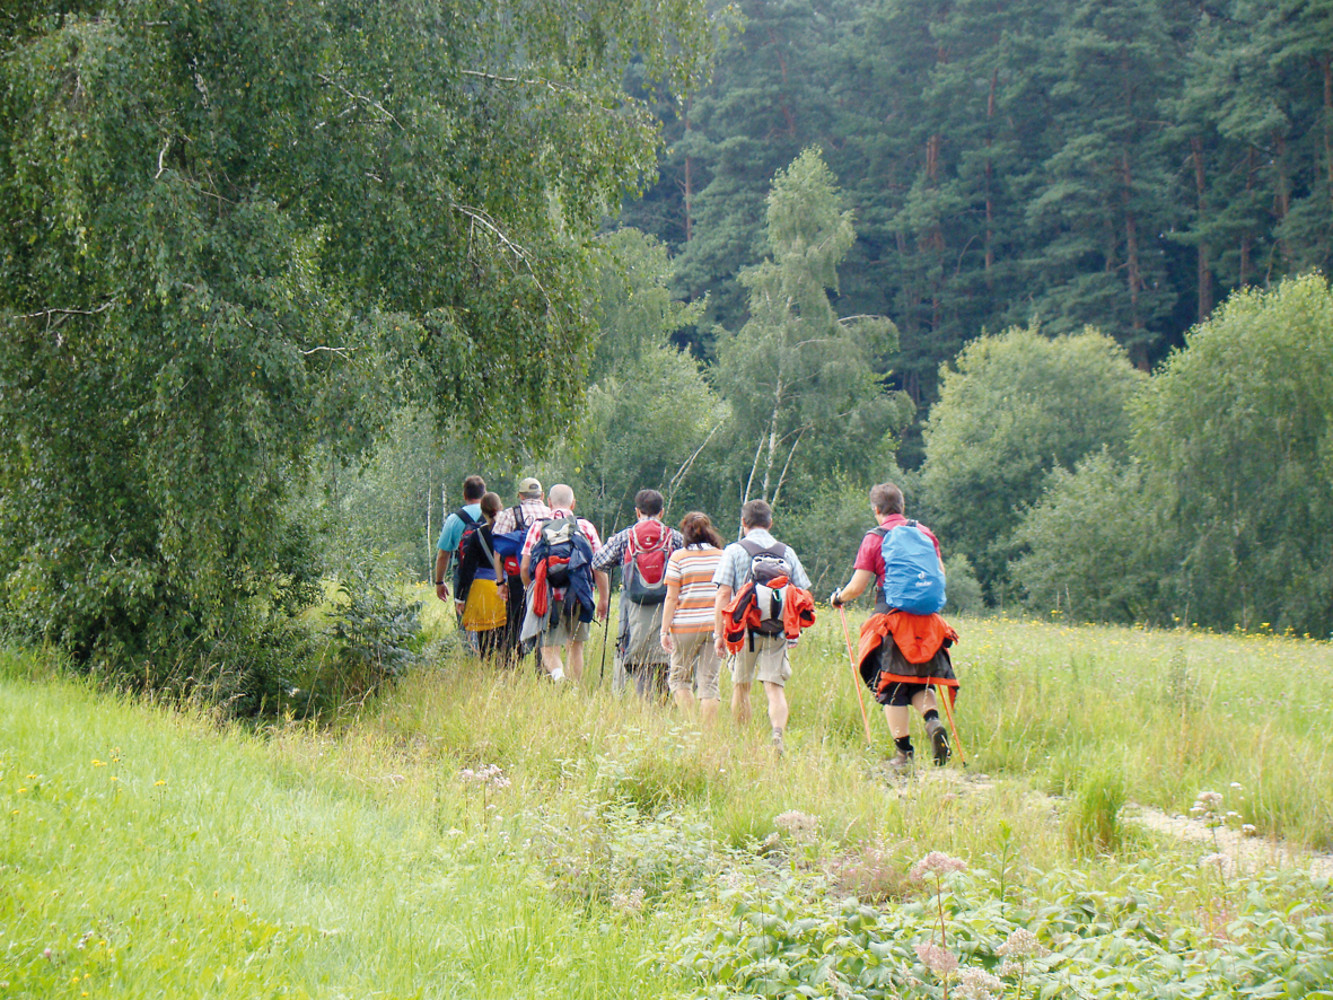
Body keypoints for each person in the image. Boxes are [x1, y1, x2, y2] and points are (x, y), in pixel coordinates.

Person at [830, 481, 957, 771]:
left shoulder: (875, 538)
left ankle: (904, 755)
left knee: (892, 687)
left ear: (877, 510)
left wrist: (839, 597)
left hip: (892, 620)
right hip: (928, 622)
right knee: (920, 682)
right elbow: (941, 574)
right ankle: (933, 721)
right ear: (902, 506)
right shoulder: (925, 533)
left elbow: (858, 586)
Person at [712, 499, 811, 753]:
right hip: (777, 629)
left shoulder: (734, 550)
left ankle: (743, 741)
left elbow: (724, 594)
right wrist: (793, 628)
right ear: (770, 523)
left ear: (743, 523)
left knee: (740, 686)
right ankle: (777, 734)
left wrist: (719, 634)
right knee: (774, 688)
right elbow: (802, 592)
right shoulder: (786, 552)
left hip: (743, 630)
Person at [592, 489, 684, 700]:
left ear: (637, 511)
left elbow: (598, 562)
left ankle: (645, 704)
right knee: (666, 656)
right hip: (667, 607)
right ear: (661, 512)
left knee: (639, 656)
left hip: (633, 608)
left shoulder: (626, 536)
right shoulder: (674, 537)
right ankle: (665, 703)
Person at [519, 483, 610, 683]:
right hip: (578, 594)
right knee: (575, 646)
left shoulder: (538, 526)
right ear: (573, 503)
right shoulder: (585, 527)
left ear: (549, 502)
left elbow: (525, 567)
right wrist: (603, 598)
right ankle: (574, 689)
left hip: (547, 594)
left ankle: (559, 677)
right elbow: (599, 567)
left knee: (548, 645)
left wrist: (531, 590)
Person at [660, 511, 725, 724]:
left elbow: (671, 597)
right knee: (709, 682)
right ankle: (707, 732)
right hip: (714, 627)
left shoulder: (678, 557)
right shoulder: (721, 556)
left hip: (684, 627)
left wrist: (664, 630)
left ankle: (689, 725)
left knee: (680, 678)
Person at [491, 478, 551, 666]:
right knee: (544, 623)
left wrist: (501, 583)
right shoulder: (553, 515)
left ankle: (511, 665)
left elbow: (498, 551)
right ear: (542, 496)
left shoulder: (510, 514)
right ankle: (544, 668)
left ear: (520, 496)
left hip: (518, 578)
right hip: (547, 577)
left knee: (514, 623)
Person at [454, 492, 508, 660]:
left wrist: (460, 598)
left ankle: (486, 670)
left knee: (485, 641)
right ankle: (506, 670)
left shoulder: (477, 535)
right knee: (506, 637)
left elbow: (467, 569)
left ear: (483, 512)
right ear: (501, 507)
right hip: (506, 589)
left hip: (482, 591)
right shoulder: (510, 530)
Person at [434, 475, 486, 605]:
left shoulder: (454, 519)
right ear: (484, 494)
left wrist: (439, 582)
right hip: (490, 572)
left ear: (464, 495)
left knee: (464, 616)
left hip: (462, 572)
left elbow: (443, 554)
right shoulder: (495, 515)